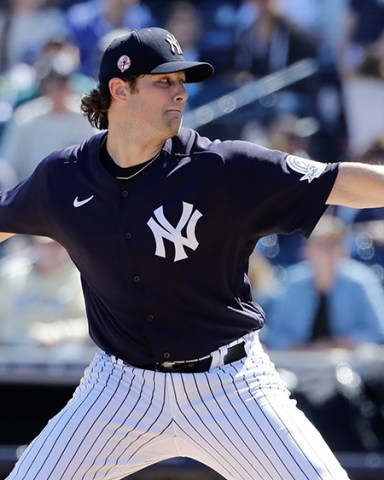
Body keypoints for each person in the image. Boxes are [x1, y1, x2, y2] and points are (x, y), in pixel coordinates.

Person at [4, 26, 384, 480]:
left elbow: (340, 180)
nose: (180, 92)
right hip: (118, 387)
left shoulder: (222, 168)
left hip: (229, 385)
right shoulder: (64, 177)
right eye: (164, 81)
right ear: (119, 90)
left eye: (183, 82)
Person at [261, 215, 384, 350]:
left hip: (351, 364)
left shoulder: (361, 281)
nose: (328, 252)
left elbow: (378, 330)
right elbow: (273, 333)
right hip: (300, 364)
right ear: (307, 251)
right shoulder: (293, 281)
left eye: (334, 245)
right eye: (320, 244)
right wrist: (300, 347)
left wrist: (341, 343)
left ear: (344, 251)